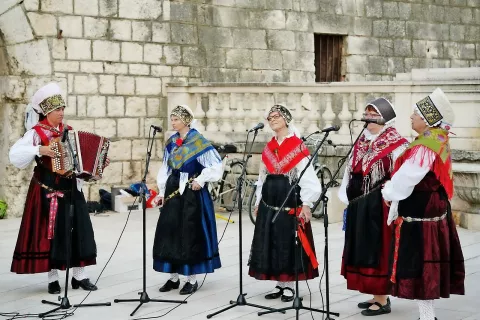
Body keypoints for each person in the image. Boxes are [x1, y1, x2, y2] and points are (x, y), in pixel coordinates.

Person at [9, 83, 104, 294]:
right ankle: (52, 278)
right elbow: (15, 156)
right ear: (47, 112)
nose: (61, 113)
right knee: (51, 234)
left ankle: (80, 277)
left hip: (72, 189)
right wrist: (40, 149)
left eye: (62, 109)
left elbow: (79, 162)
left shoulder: (69, 132)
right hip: (47, 191)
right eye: (57, 110)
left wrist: (92, 170)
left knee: (80, 231)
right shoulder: (36, 133)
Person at [382, 88, 465, 320]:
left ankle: (427, 317)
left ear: (427, 119)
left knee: (422, 266)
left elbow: (407, 178)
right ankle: (426, 315)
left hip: (422, 213)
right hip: (429, 209)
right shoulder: (436, 139)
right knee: (424, 265)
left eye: (415, 114)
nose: (411, 117)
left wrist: (388, 191)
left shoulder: (426, 145)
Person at [338, 98, 409, 316]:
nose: (368, 119)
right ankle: (374, 293)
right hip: (359, 204)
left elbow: (402, 174)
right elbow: (349, 171)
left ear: (385, 118)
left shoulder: (397, 143)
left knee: (377, 249)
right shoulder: (361, 141)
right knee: (362, 248)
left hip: (379, 206)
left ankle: (383, 299)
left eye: (373, 115)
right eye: (366, 114)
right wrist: (345, 196)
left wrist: (391, 192)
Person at [248, 104, 320, 302]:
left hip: (289, 201)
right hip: (269, 204)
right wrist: (258, 200)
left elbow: (309, 179)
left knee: (288, 243)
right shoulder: (269, 147)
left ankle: (290, 285)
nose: (272, 119)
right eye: (269, 117)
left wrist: (306, 204)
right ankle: (280, 284)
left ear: (286, 119)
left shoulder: (297, 146)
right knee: (272, 242)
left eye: (276, 116)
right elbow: (263, 177)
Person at [152, 105, 222, 295]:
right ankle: (173, 277)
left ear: (186, 120)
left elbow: (216, 166)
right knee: (169, 231)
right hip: (173, 190)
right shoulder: (172, 142)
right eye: (172, 119)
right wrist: (161, 191)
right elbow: (165, 169)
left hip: (191, 193)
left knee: (189, 234)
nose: (172, 122)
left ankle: (191, 279)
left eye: (175, 119)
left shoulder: (198, 142)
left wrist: (201, 179)